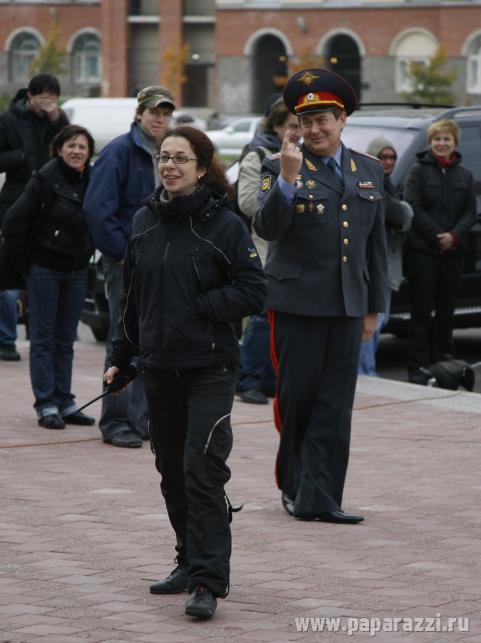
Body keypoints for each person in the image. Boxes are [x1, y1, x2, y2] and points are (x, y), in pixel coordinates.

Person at [104, 126, 266, 619]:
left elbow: (254, 290)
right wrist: (121, 357)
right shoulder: (143, 222)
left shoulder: (225, 226)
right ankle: (186, 559)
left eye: (180, 158)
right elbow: (132, 300)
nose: (169, 166)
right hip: (158, 368)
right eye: (162, 157)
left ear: (201, 167)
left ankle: (206, 582)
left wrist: (199, 307)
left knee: (202, 471)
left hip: (210, 368)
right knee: (171, 473)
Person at [254, 68, 387, 523]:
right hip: (297, 304)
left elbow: (376, 246)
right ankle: (295, 488)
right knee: (298, 399)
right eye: (305, 122)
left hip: (348, 306)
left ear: (342, 119)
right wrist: (288, 181)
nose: (314, 130)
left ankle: (324, 496)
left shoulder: (368, 169)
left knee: (336, 404)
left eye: (323, 120)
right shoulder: (279, 168)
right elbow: (266, 229)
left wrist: (374, 308)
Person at [84, 85, 175, 448]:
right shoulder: (120, 152)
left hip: (161, 265)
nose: (160, 118)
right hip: (127, 264)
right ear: (139, 113)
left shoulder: (167, 153)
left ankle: (142, 419)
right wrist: (121, 255)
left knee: (151, 342)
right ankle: (117, 420)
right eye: (154, 112)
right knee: (124, 342)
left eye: (166, 113)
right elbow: (97, 208)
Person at [2, 125, 95, 429]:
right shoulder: (44, 179)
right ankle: (46, 404)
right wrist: (26, 266)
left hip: (77, 270)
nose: (77, 151)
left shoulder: (93, 179)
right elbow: (13, 223)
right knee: (43, 338)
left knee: (65, 339)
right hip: (44, 270)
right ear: (58, 148)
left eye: (82, 146)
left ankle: (65, 400)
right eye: (71, 145)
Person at [236, 97, 301, 404]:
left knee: (281, 319)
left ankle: (268, 379)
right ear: (276, 126)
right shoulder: (259, 156)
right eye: (292, 126)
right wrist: (284, 184)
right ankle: (247, 378)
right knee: (262, 318)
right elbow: (248, 203)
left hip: (294, 253)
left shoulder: (306, 156)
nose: (298, 132)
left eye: (301, 126)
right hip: (263, 251)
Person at [0, 74, 69, 362]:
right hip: (13, 201)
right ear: (29, 95)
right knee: (8, 273)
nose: (47, 101)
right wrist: (22, 156)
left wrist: (58, 122)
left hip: (48, 207)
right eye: (42, 95)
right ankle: (6, 339)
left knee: (43, 274)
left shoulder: (58, 121)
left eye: (52, 96)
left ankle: (44, 338)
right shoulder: (8, 120)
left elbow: (71, 153)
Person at [404, 119, 476, 385]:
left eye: (446, 139)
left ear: (455, 143)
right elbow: (413, 206)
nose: (441, 144)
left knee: (446, 309)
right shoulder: (418, 172)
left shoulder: (465, 175)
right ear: (430, 142)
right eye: (437, 139)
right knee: (422, 309)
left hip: (453, 252)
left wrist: (454, 236)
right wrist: (437, 235)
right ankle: (417, 365)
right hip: (423, 250)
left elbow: (470, 211)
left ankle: (444, 359)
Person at [358, 137, 413, 376]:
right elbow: (401, 215)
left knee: (378, 324)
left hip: (387, 267)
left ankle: (367, 370)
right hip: (372, 267)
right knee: (369, 325)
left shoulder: (388, 185)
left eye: (392, 157)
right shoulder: (369, 184)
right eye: (383, 157)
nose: (388, 162)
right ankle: (365, 373)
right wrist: (406, 210)